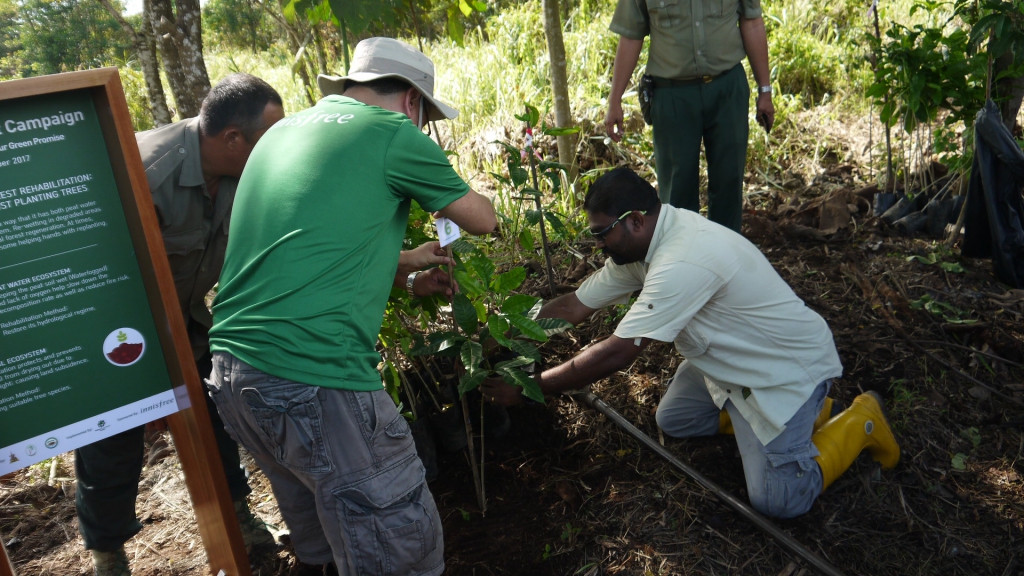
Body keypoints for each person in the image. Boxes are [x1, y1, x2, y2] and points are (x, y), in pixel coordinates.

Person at [205, 37, 497, 575]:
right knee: (400, 554)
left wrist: (405, 264)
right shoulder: (391, 133)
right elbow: (482, 219)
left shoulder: (278, 135)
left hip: (235, 376)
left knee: (325, 544)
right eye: (424, 116)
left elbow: (309, 256)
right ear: (412, 101)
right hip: (313, 380)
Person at [482, 168, 900, 519]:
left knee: (778, 499)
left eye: (601, 233)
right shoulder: (643, 247)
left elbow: (619, 351)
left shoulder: (681, 260)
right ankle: (803, 421)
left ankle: (860, 419)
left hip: (783, 371)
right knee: (676, 420)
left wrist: (528, 387)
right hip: (731, 358)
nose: (597, 244)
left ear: (635, 220)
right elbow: (574, 306)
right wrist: (503, 329)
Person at [76, 73, 286, 576]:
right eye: (269, 136)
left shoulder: (248, 173)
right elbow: (96, 269)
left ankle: (237, 517)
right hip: (119, 329)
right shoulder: (145, 169)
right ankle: (108, 555)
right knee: (111, 438)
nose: (278, 147)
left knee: (216, 422)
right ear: (233, 140)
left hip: (186, 323)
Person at [604, 0, 775, 232]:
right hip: (672, 95)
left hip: (727, 89)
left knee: (729, 180)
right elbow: (631, 37)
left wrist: (765, 90)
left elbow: (752, 22)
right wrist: (615, 100)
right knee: (677, 189)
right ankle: (683, 258)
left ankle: (725, 256)